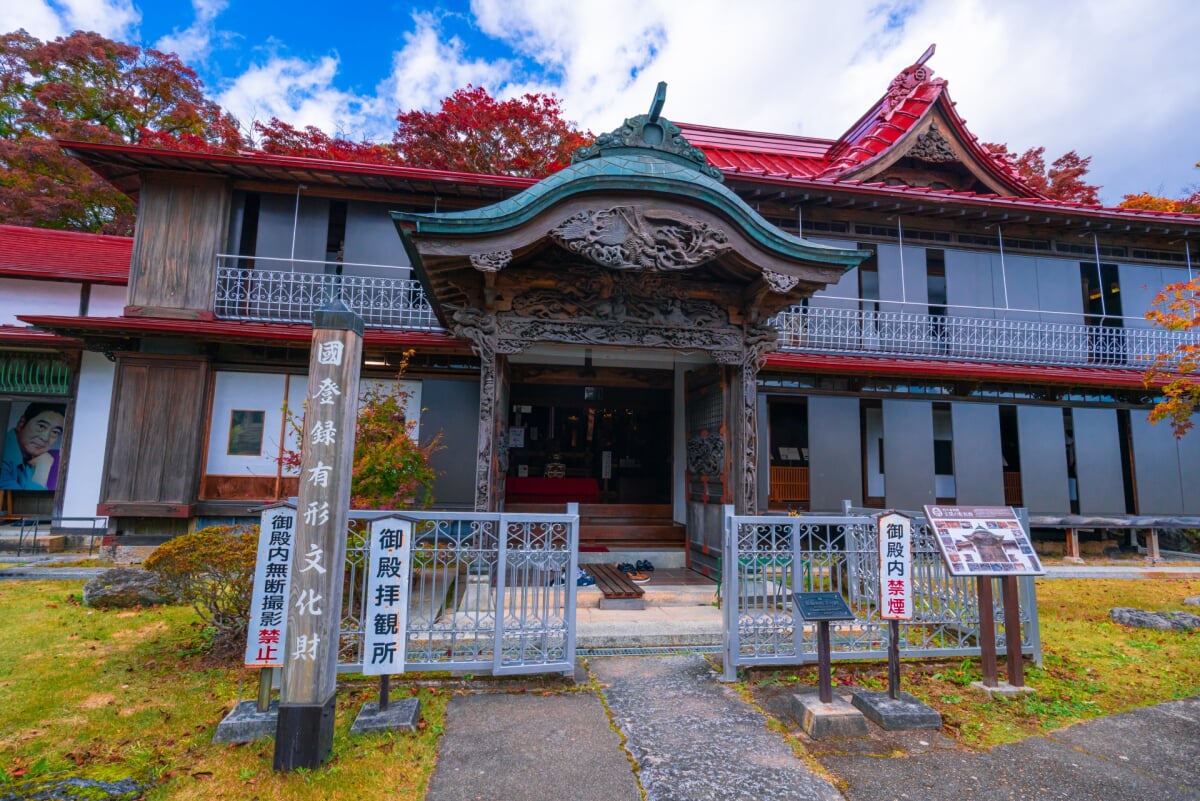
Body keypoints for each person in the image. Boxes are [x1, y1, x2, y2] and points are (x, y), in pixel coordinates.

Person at [1, 402, 66, 490]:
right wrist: (42, 469)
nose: (45, 438)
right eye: (41, 426)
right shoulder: (4, 454)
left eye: (55, 432)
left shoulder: (33, 457)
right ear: (21, 423)